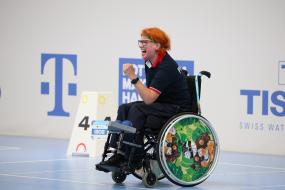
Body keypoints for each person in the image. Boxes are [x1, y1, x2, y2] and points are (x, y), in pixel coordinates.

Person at [96, 27, 192, 169]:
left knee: (138, 109)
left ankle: (134, 157)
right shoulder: (149, 62)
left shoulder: (166, 67)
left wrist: (133, 77)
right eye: (140, 42)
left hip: (177, 108)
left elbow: (148, 99)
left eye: (145, 42)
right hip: (162, 103)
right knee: (124, 108)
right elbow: (151, 95)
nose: (141, 45)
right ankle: (119, 153)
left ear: (157, 45)